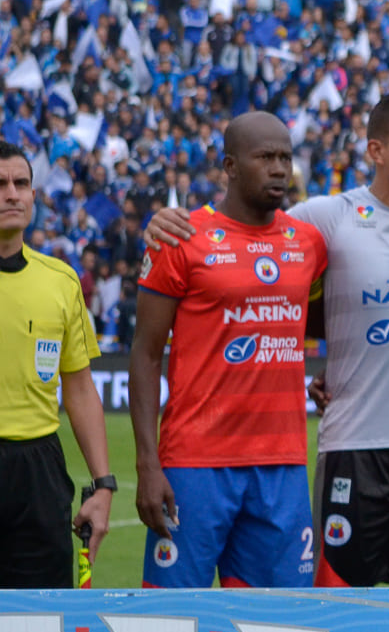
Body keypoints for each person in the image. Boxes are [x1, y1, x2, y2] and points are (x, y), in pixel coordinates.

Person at [146, 92, 389, 587]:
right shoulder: (322, 218)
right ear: (376, 151)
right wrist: (165, 221)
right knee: (332, 612)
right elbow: (252, 250)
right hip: (352, 445)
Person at [132, 113, 329, 587]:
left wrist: (338, 374)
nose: (280, 168)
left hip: (281, 465)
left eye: (285, 157)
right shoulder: (180, 237)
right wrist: (147, 464)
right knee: (173, 625)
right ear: (230, 166)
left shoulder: (308, 243)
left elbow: (329, 320)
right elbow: (144, 354)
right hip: (196, 463)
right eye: (265, 157)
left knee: (283, 628)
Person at [0, 139, 115, 587]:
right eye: (1, 184)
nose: (11, 193)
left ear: (33, 196)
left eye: (21, 184)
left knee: (41, 628)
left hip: (39, 471)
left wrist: (103, 484)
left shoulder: (61, 280)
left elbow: (81, 389)